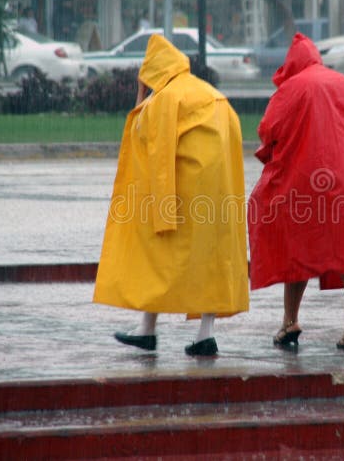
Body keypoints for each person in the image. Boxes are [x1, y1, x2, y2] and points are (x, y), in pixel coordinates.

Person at [93, 33, 249, 357]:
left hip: (184, 192)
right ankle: (204, 333)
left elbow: (145, 139)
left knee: (157, 256)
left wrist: (140, 93)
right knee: (212, 260)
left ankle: (147, 330)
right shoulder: (210, 93)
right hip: (220, 192)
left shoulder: (165, 98)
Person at [248, 32, 344, 351]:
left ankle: (290, 321)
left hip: (301, 181)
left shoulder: (288, 90)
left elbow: (268, 133)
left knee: (297, 249)